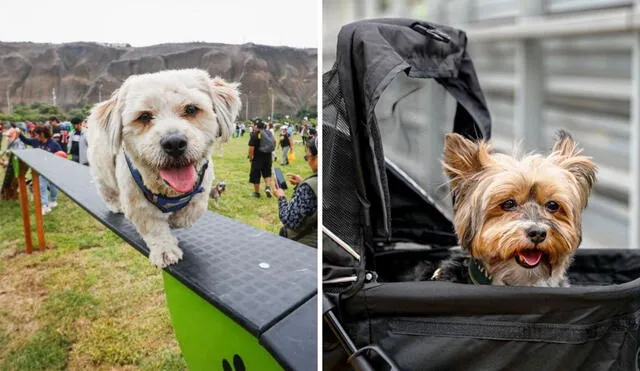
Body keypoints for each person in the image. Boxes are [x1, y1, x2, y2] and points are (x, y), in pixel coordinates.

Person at [274, 136, 318, 248]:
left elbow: (290, 220)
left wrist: (281, 197)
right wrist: (302, 183)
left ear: (317, 158)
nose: (308, 162)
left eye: (307, 157)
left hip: (303, 244)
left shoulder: (308, 188)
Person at [18, 125, 61, 215]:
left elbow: (60, 156)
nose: (35, 137)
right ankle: (45, 205)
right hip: (40, 169)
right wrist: (19, 134)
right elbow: (26, 140)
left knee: (53, 186)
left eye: (37, 135)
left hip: (52, 169)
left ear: (42, 134)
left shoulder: (54, 144)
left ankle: (53, 200)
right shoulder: (35, 142)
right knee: (42, 186)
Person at [248, 121, 274, 198]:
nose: (253, 126)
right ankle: (268, 187)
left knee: (256, 174)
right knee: (267, 172)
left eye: (253, 125)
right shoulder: (269, 133)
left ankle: (256, 193)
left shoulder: (255, 134)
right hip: (268, 156)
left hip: (257, 157)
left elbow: (251, 148)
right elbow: (274, 141)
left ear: (256, 126)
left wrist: (250, 157)